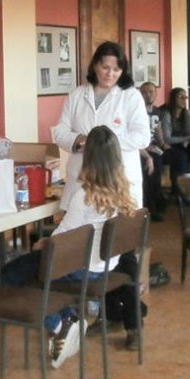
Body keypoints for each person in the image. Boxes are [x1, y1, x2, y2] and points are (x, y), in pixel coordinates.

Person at [41, 126, 147, 366]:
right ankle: (124, 320)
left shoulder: (84, 197)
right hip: (110, 260)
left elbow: (63, 234)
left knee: (29, 271)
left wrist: (45, 243)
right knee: (122, 262)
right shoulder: (127, 191)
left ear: (87, 158)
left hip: (89, 266)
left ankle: (64, 323)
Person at [52, 41, 149, 212]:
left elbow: (142, 137)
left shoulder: (131, 97)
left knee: (116, 225)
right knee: (79, 224)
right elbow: (60, 132)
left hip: (118, 177)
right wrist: (79, 141)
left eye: (116, 69)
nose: (110, 74)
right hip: (82, 175)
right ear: (95, 65)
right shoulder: (77, 95)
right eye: (105, 68)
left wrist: (102, 144)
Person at [160, 87, 190, 180]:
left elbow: (189, 134)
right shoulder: (166, 113)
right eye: (181, 97)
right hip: (169, 145)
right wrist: (186, 139)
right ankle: (179, 185)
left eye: (185, 97)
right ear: (173, 98)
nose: (184, 99)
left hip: (183, 144)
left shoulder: (186, 114)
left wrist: (187, 141)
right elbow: (167, 138)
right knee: (180, 155)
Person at [138, 81, 166, 221]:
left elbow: (159, 131)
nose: (147, 95)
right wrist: (146, 148)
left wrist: (164, 145)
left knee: (179, 156)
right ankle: (149, 206)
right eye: (144, 92)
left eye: (150, 92)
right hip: (140, 149)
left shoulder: (157, 112)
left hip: (155, 148)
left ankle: (160, 197)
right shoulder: (136, 111)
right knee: (150, 172)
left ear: (155, 94)